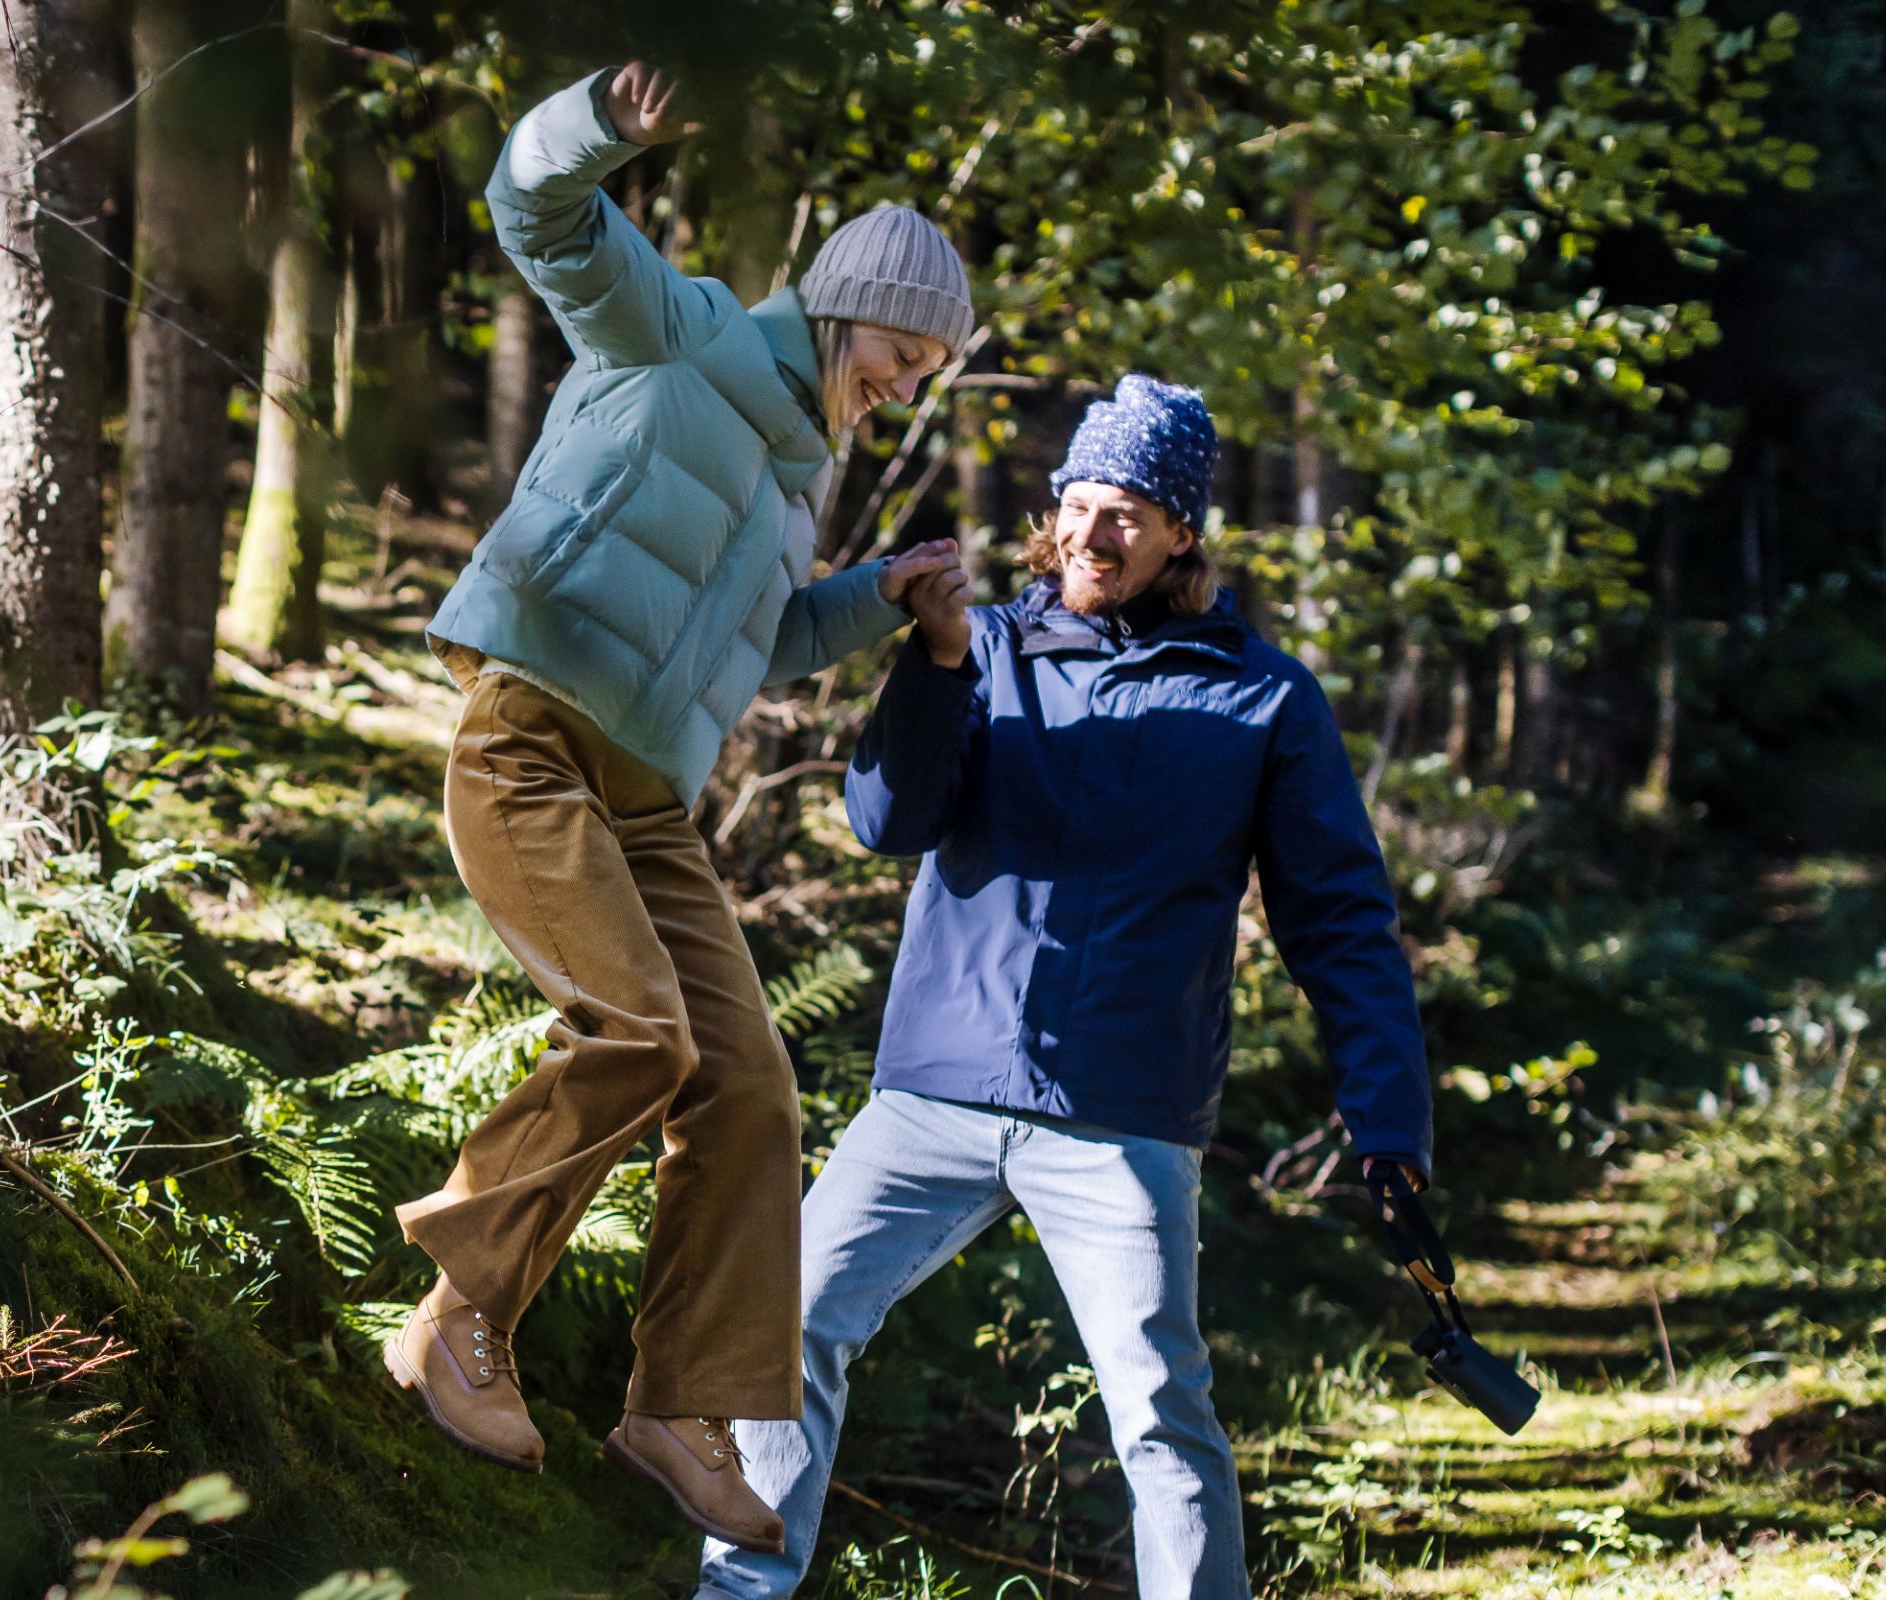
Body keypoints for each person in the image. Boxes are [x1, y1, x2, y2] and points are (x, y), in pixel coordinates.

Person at [695, 375, 1437, 1600]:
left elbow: (1341, 922)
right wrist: (931, 664)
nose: (1094, 534)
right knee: (786, 1326)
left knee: (1158, 1412)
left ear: (1183, 533)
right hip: (935, 1088)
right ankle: (741, 1592)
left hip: (1122, 1113)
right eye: (1079, 503)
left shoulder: (1262, 696)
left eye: (1131, 511)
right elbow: (888, 819)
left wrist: (1390, 1115)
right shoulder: (979, 648)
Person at [382, 60, 979, 1554]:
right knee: (639, 1033)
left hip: (651, 804)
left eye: (930, 369)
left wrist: (877, 600)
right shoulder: (687, 331)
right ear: (852, 302)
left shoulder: (798, 475)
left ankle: (681, 1404)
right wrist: (603, 123)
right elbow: (533, 209)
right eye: (908, 346)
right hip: (529, 739)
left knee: (751, 1089)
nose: (910, 381)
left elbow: (756, 646)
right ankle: (457, 1314)